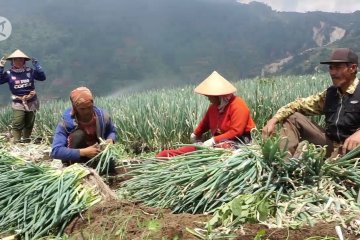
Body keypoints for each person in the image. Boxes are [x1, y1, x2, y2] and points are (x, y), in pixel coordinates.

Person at [262, 48, 360, 157]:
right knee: (294, 117)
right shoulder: (330, 94)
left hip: (353, 151)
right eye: (331, 68)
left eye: (337, 68)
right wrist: (273, 120)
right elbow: (298, 105)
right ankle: (281, 163)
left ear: (352, 68)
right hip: (331, 146)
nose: (332, 72)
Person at [156, 71, 256, 158]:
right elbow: (205, 123)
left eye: (209, 96)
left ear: (219, 96)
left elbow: (236, 131)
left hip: (239, 142)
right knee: (189, 150)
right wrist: (195, 134)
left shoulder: (238, 105)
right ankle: (164, 156)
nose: (208, 98)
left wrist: (214, 140)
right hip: (219, 143)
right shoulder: (213, 107)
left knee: (217, 150)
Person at [51, 87, 116, 165]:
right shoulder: (66, 123)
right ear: (75, 108)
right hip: (76, 157)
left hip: (97, 154)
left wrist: (110, 139)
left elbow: (111, 131)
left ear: (93, 103)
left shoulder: (102, 117)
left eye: (89, 107)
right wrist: (84, 152)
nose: (87, 111)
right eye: (82, 109)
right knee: (78, 135)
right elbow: (56, 151)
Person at [0, 49, 46, 143]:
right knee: (18, 121)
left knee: (29, 122)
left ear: (24, 61)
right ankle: (16, 141)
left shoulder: (30, 71)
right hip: (18, 101)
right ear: (12, 61)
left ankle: (26, 140)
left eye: (21, 59)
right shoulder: (9, 74)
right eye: (16, 60)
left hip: (31, 100)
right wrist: (1, 67)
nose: (18, 62)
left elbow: (42, 77)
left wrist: (37, 66)